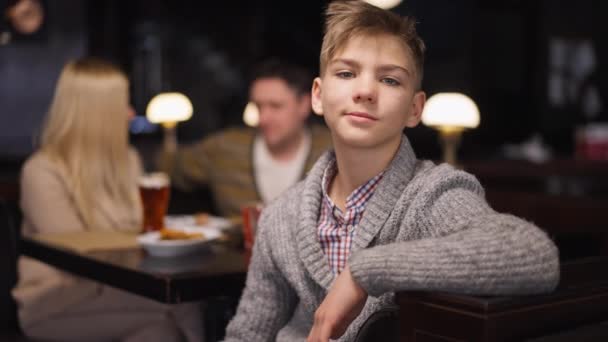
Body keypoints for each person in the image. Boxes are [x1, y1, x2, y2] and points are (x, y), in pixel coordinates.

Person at [224, 1, 560, 341]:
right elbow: (247, 334)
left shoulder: (431, 196)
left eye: (389, 79)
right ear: (318, 96)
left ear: (414, 110)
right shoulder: (280, 216)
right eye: (345, 73)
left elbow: (535, 256)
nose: (366, 91)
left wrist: (364, 272)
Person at [12, 57, 203, 342]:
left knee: (167, 320)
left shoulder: (128, 160)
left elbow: (140, 233)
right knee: (171, 309)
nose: (130, 113)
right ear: (98, 113)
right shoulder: (41, 171)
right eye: (122, 104)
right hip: (57, 301)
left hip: (121, 290)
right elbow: (80, 254)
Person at [157, 59, 332, 218]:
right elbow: (167, 165)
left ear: (304, 105)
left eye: (275, 106)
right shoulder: (225, 148)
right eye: (258, 106)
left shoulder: (331, 149)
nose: (263, 118)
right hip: (236, 252)